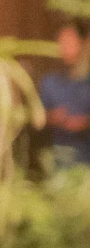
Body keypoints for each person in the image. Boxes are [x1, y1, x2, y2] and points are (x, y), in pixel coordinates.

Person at [40, 21, 90, 172]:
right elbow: (37, 117)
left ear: (84, 44)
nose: (64, 47)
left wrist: (85, 122)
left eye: (70, 41)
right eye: (61, 42)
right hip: (58, 165)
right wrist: (51, 117)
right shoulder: (50, 82)